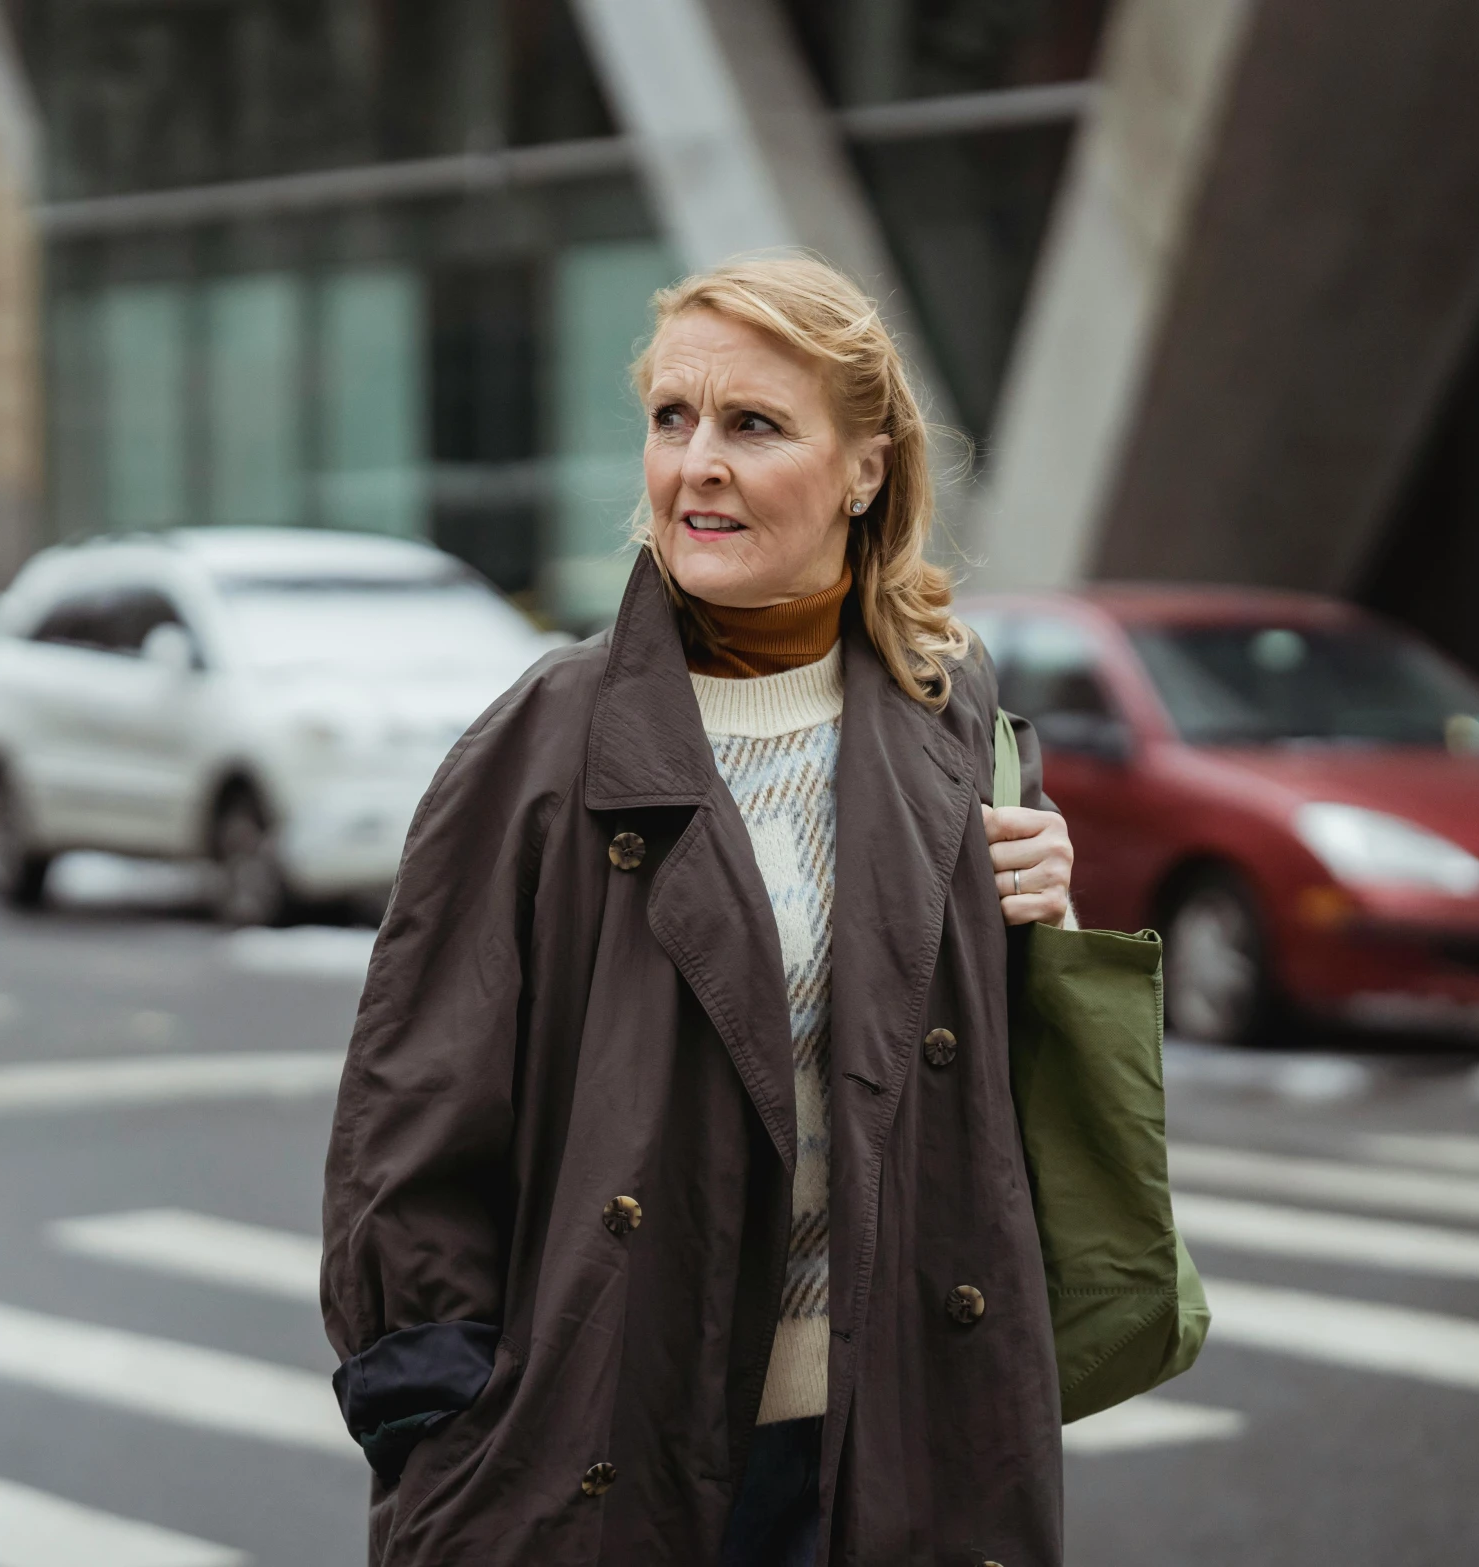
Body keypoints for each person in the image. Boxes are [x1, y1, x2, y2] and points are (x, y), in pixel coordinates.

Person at [321, 256, 1076, 1566]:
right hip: (607, 1454)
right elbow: (412, 1114)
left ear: (864, 468)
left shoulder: (950, 718)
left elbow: (951, 1104)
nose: (696, 463)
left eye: (753, 424)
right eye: (672, 418)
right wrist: (443, 1421)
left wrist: (1038, 912)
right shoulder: (544, 740)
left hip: (889, 1454)